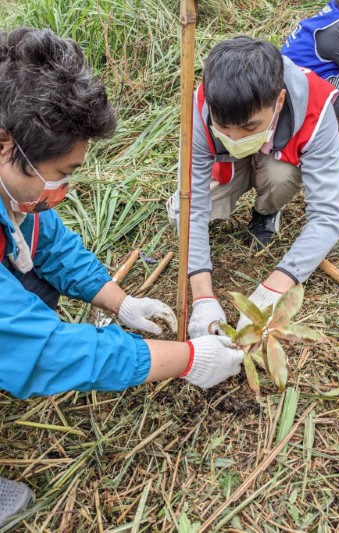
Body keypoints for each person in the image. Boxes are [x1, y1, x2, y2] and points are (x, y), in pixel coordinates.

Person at [0, 28, 244, 526]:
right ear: (5, 143)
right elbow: (44, 349)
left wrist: (121, 302)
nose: (62, 190)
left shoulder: (14, 189)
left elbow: (49, 244)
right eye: (59, 173)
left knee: (34, 279)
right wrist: (187, 359)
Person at [167, 36, 339, 338]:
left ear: (278, 100)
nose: (236, 136)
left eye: (250, 126)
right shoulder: (200, 106)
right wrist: (202, 296)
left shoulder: (316, 108)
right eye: (223, 126)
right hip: (227, 164)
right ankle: (243, 173)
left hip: (277, 161)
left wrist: (274, 288)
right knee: (179, 215)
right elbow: (193, 201)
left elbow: (329, 214)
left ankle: (266, 211)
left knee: (280, 176)